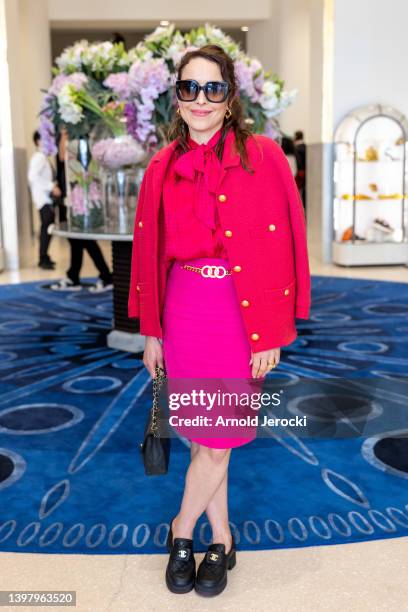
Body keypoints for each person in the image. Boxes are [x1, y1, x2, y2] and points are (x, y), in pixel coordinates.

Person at [128, 45, 311, 597]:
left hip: (241, 315)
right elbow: (149, 255)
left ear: (230, 98)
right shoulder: (161, 167)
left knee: (218, 436)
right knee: (203, 438)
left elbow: (290, 244)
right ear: (177, 96)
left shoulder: (264, 156)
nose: (201, 100)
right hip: (185, 312)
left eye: (213, 89)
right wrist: (153, 332)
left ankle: (181, 529)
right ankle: (222, 537)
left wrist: (275, 331)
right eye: (190, 88)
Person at [50, 128, 113, 293]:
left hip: (79, 198)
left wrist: (64, 135)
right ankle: (74, 276)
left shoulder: (76, 143)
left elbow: (64, 157)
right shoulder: (70, 140)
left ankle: (105, 276)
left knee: (84, 239)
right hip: (71, 197)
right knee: (77, 240)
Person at [27, 130, 61, 269]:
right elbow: (32, 176)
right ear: (38, 141)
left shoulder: (42, 157)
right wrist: (51, 186)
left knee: (46, 229)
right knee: (46, 229)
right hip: (44, 200)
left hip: (45, 199)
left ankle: (44, 257)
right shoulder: (39, 158)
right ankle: (43, 259)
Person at [294, 130, 307, 210]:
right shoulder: (306, 146)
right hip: (308, 172)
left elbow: (298, 161)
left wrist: (300, 170)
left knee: (299, 192)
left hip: (300, 172)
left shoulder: (297, 148)